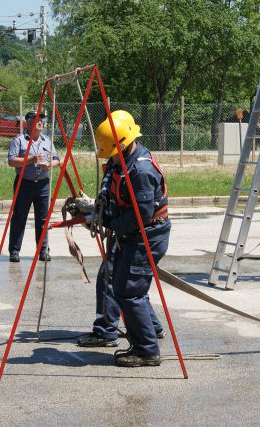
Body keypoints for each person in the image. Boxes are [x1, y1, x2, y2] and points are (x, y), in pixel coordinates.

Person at [74, 110, 170, 367]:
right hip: (135, 233)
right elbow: (115, 198)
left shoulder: (140, 170)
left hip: (146, 235)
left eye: (113, 152)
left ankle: (147, 350)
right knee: (125, 285)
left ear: (124, 144)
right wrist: (94, 211)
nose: (111, 158)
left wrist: (109, 222)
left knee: (129, 291)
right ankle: (150, 333)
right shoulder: (123, 161)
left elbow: (141, 214)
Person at [7, 111, 60, 263]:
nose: (40, 122)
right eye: (36, 119)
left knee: (43, 219)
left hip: (43, 184)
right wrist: (30, 160)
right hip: (24, 183)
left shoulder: (47, 141)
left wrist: (49, 164)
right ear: (28, 123)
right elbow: (11, 161)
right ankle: (14, 251)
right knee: (19, 218)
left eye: (41, 119)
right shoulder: (19, 140)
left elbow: (57, 160)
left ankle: (43, 251)